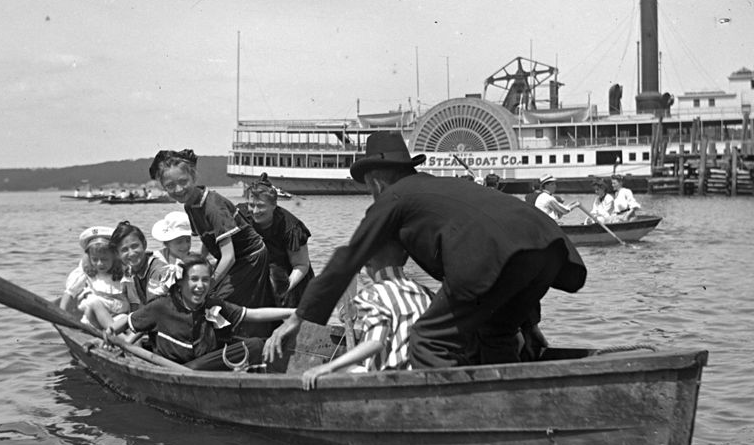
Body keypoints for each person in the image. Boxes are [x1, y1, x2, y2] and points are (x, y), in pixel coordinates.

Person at [264, 131, 587, 369]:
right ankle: (511, 401)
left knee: (428, 339)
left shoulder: (394, 197)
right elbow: (507, 246)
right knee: (497, 330)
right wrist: (527, 323)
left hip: (498, 257)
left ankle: (453, 418)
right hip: (551, 249)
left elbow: (349, 258)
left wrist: (300, 319)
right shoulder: (439, 189)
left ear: (376, 182)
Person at [101, 254, 295, 371]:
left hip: (204, 366)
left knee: (254, 345)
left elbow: (253, 314)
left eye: (205, 280)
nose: (200, 286)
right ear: (181, 282)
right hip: (176, 371)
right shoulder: (162, 306)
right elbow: (128, 321)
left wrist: (295, 312)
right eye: (194, 279)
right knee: (193, 370)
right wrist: (109, 334)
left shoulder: (213, 304)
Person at [149, 149, 275, 312]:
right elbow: (207, 241)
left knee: (217, 300)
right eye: (170, 186)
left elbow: (229, 257)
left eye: (183, 181)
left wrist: (210, 283)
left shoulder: (213, 207)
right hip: (231, 257)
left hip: (250, 257)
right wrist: (194, 266)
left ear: (193, 177)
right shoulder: (190, 206)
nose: (178, 189)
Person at [300, 239, 433, 389]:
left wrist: (329, 367)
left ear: (368, 263)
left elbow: (375, 343)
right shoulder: (425, 292)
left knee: (341, 370)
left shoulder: (374, 294)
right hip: (421, 377)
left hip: (389, 381)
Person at [239, 173, 315, 307]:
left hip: (289, 278)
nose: (255, 211)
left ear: (274, 205)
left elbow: (301, 265)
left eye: (261, 206)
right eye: (252, 205)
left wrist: (283, 290)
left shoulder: (291, 228)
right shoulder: (240, 215)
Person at [59, 226, 136, 327]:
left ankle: (115, 334)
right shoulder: (86, 271)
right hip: (93, 316)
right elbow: (70, 292)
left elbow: (134, 297)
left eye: (104, 259)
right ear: (89, 258)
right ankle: (115, 336)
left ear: (115, 256)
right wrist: (60, 315)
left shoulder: (124, 270)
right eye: (95, 259)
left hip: (118, 315)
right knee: (92, 302)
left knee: (124, 319)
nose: (99, 264)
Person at [110, 220, 173, 308]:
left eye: (135, 246)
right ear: (117, 254)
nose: (131, 253)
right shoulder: (134, 271)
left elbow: (154, 308)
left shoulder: (158, 271)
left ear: (144, 244)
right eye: (124, 250)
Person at [150, 211, 194, 292]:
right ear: (167, 243)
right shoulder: (155, 262)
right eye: (179, 242)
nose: (185, 246)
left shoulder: (194, 260)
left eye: (188, 240)